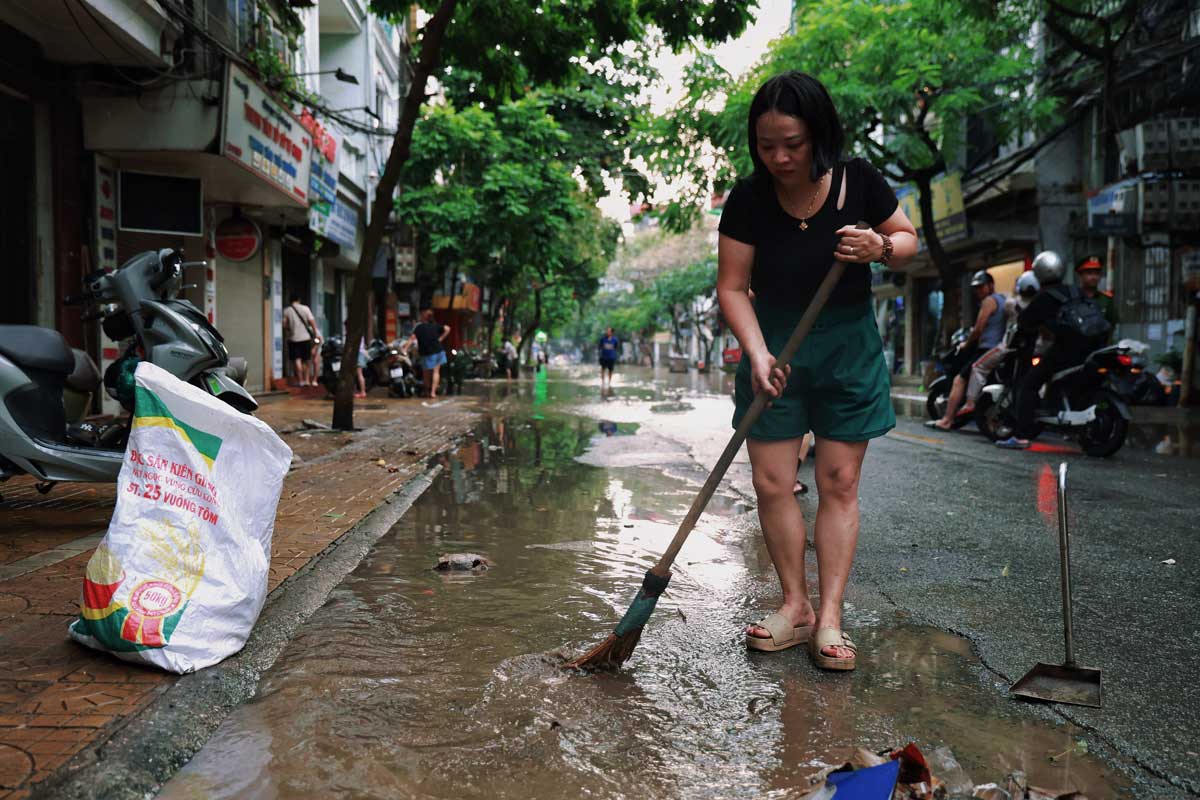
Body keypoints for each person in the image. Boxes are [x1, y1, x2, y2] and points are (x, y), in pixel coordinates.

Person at [718, 71, 917, 670]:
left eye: (793, 144)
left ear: (819, 136)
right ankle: (794, 605)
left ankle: (829, 618)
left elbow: (906, 239)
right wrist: (756, 354)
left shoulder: (860, 181)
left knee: (837, 483)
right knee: (774, 482)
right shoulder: (749, 198)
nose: (778, 157)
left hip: (846, 346)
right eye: (766, 144)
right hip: (773, 343)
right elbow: (732, 287)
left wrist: (879, 249)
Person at [995, 251, 1102, 449]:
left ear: (1039, 273)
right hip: (1091, 348)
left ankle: (1021, 435)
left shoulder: (1044, 297)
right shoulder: (1074, 290)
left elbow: (1025, 322)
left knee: (1029, 385)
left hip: (1066, 350)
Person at [928, 270, 1006, 430]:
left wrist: (966, 344)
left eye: (981, 286)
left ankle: (947, 420)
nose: (978, 291)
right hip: (998, 349)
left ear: (990, 286)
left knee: (959, 379)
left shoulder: (989, 301)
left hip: (986, 349)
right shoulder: (1003, 300)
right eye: (976, 288)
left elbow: (978, 329)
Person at [961, 271, 1039, 409]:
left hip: (1010, 346)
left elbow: (979, 328)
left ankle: (970, 403)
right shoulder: (1040, 304)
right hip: (1036, 347)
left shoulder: (1009, 303)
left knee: (978, 367)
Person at [406, 309, 450, 398]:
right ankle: (433, 392)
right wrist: (441, 338)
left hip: (429, 353)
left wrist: (405, 348)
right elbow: (447, 328)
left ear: (424, 318)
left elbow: (412, 339)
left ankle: (427, 391)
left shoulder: (419, 327)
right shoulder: (436, 326)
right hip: (439, 351)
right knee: (436, 372)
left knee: (426, 373)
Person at [1076, 255, 1119, 337]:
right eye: (1089, 273)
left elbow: (1112, 325)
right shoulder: (1073, 298)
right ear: (1081, 275)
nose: (1094, 277)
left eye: (1097, 273)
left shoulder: (1106, 300)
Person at [283, 294, 320, 387]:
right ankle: (307, 380)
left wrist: (290, 330)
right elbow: (312, 323)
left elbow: (285, 325)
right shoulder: (305, 308)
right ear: (299, 299)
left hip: (293, 339)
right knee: (306, 360)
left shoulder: (287, 311)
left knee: (297, 360)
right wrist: (315, 334)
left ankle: (301, 380)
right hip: (306, 338)